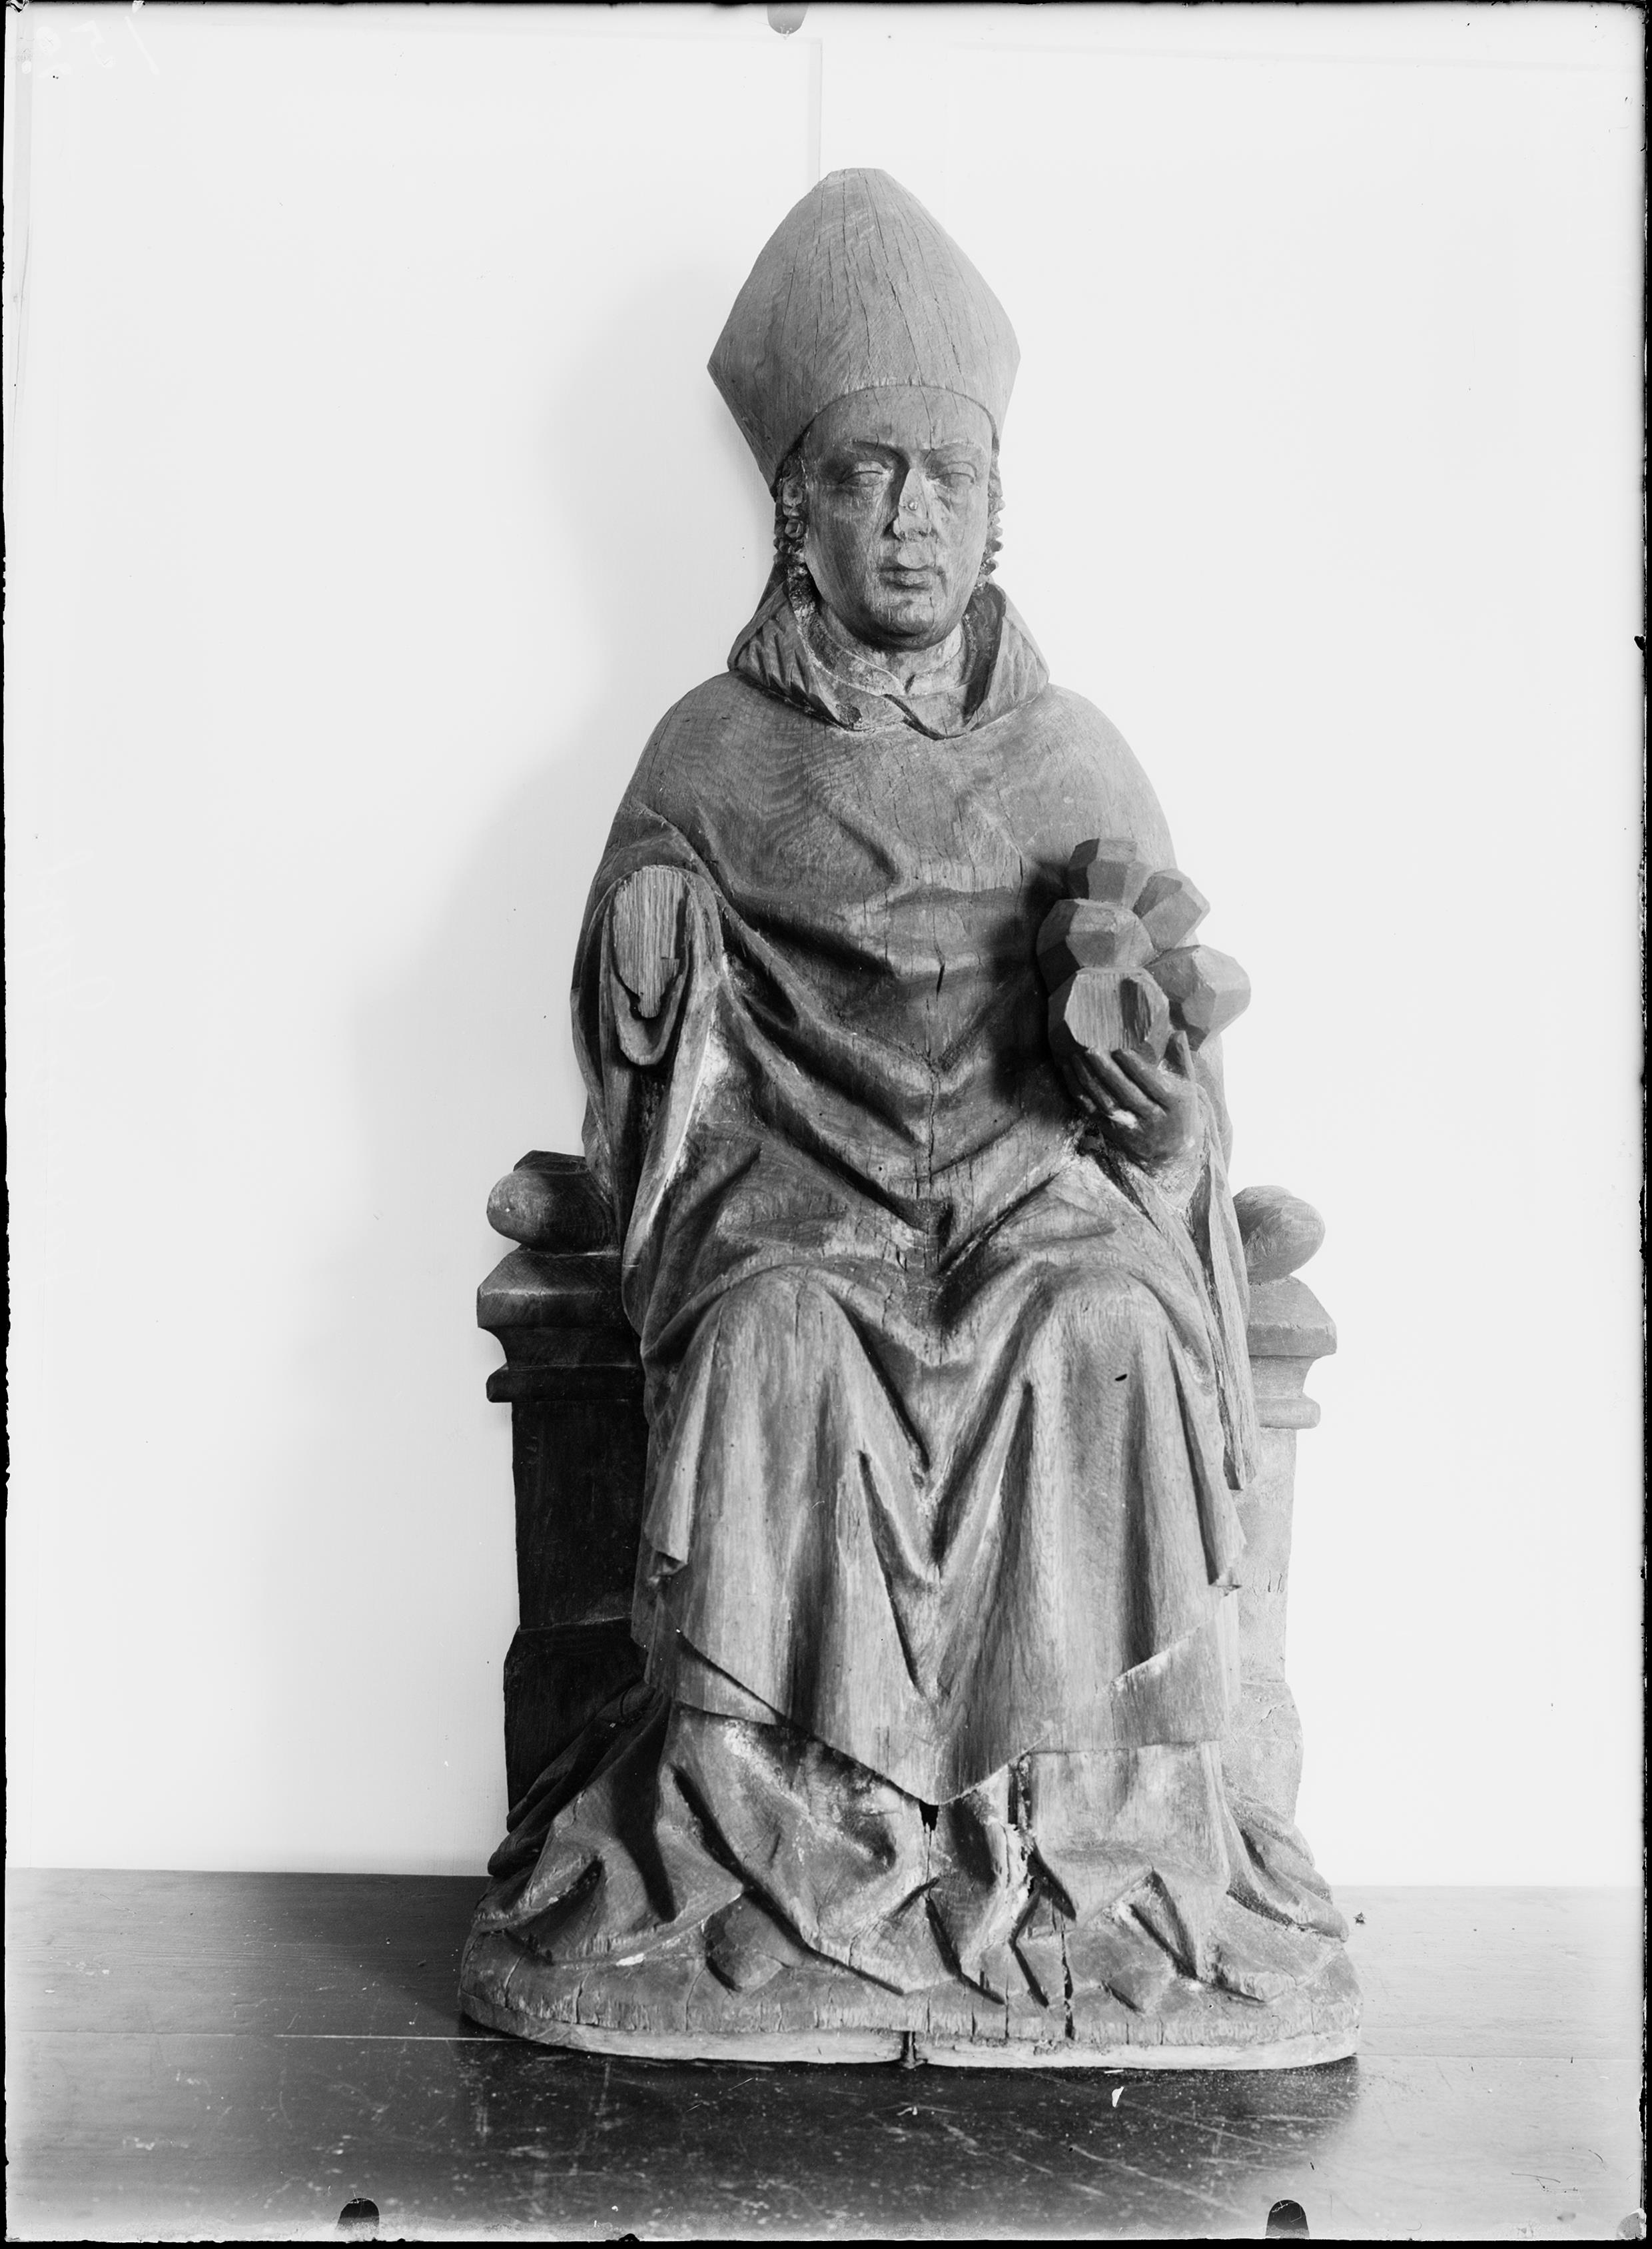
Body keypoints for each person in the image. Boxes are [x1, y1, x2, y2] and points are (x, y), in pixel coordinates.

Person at [461, 171, 1354, 2058]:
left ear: (997, 506)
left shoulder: (1076, 754)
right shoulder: (711, 752)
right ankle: (777, 1831)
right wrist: (647, 946)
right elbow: (641, 1053)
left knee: (1112, 1328)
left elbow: (1177, 1081)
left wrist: (1152, 1099)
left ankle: (1101, 1841)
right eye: (869, 477)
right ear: (798, 514)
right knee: (774, 1339)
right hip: (801, 1201)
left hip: (1039, 1205)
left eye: (948, 477)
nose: (913, 516)